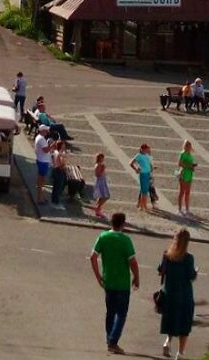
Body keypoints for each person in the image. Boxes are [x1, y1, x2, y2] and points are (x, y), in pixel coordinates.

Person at [89, 211, 139, 356]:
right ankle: (113, 341)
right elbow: (132, 262)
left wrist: (98, 276)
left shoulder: (103, 237)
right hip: (122, 283)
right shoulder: (125, 240)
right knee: (122, 313)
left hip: (108, 280)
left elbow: (93, 257)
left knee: (110, 312)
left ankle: (109, 339)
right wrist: (137, 277)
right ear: (123, 224)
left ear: (111, 222)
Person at [157, 226, 197, 360]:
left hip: (169, 294)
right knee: (184, 326)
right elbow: (191, 276)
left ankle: (167, 342)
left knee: (171, 321)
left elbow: (161, 270)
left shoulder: (167, 255)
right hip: (184, 295)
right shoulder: (188, 258)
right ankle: (180, 353)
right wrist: (196, 271)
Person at [131, 142, 153, 213]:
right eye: (146, 149)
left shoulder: (146, 155)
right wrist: (136, 169)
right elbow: (131, 163)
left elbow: (148, 163)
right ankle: (144, 206)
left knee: (144, 190)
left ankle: (141, 205)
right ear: (142, 149)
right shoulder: (139, 155)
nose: (147, 150)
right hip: (143, 174)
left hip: (147, 174)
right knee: (144, 192)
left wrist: (151, 168)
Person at [177, 140, 196, 216]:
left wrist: (192, 166)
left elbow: (190, 162)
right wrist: (189, 166)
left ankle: (187, 209)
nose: (189, 147)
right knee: (182, 192)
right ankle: (179, 209)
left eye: (189, 145)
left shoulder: (190, 154)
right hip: (184, 173)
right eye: (187, 145)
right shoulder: (183, 153)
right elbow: (179, 163)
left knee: (188, 192)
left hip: (189, 174)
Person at [34, 125, 52, 203]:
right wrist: (52, 145)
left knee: (40, 181)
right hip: (43, 162)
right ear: (43, 131)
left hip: (41, 160)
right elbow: (45, 150)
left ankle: (41, 197)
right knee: (41, 181)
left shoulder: (39, 137)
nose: (47, 132)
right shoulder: (41, 139)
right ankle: (40, 199)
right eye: (46, 130)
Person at [50, 139, 68, 205]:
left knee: (55, 186)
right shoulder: (60, 154)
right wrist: (64, 163)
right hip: (59, 170)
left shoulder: (55, 152)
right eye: (63, 145)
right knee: (59, 186)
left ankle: (53, 199)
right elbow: (61, 164)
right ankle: (56, 201)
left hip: (54, 169)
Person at [93, 151, 110, 220]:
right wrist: (103, 169)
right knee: (106, 196)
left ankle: (98, 209)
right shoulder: (98, 165)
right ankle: (98, 208)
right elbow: (97, 174)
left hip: (103, 181)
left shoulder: (99, 164)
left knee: (102, 196)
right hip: (100, 182)